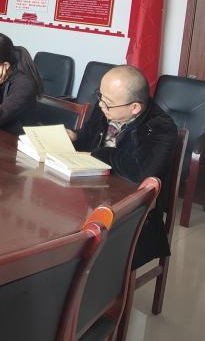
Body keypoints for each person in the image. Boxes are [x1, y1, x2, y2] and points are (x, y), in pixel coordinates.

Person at [71, 64, 177, 269]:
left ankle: (99, 282)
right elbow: (87, 139)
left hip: (131, 213)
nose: (101, 105)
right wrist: (73, 137)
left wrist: (99, 154)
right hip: (92, 193)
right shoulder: (106, 107)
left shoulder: (160, 128)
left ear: (134, 107)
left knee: (88, 253)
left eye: (108, 103)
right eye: (100, 96)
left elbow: (140, 171)